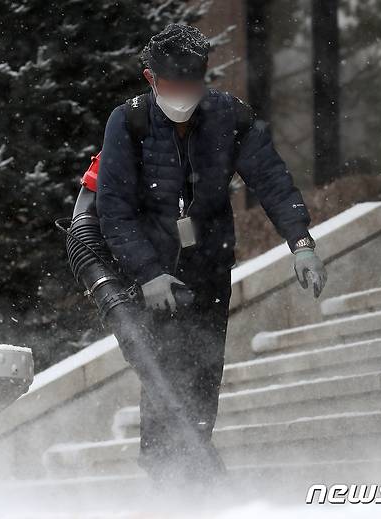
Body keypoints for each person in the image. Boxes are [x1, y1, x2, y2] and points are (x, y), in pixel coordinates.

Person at [95, 23, 327, 492]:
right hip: (152, 275)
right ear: (150, 78)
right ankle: (168, 480)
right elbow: (113, 211)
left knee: (202, 375)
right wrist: (147, 274)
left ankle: (196, 473)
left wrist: (301, 243)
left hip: (209, 270)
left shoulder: (230, 118)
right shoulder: (129, 121)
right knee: (163, 376)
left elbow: (272, 181)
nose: (184, 94)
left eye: (193, 84)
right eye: (174, 85)